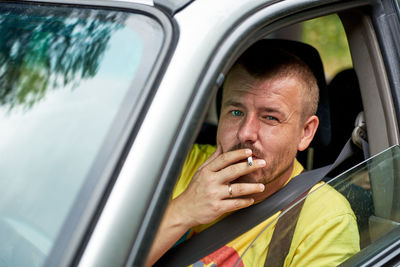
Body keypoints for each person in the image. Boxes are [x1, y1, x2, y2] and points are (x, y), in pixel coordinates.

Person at [146, 40, 360, 266]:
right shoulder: (177, 165)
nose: (245, 133)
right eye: (236, 112)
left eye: (270, 117)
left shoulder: (326, 220)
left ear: (305, 133)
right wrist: (184, 210)